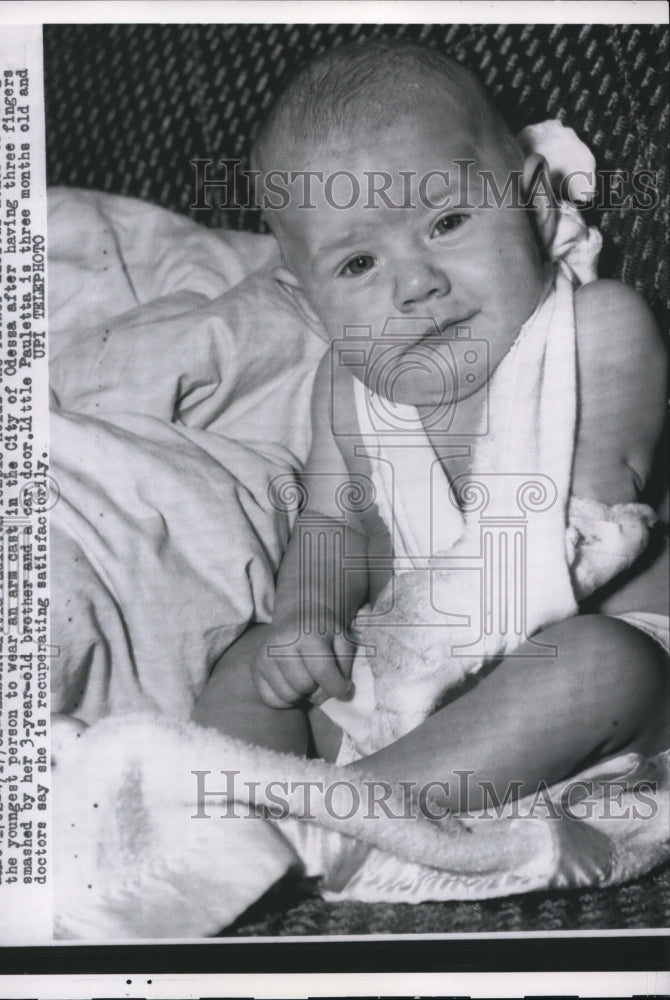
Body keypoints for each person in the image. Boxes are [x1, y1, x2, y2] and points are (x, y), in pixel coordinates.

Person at [192, 40, 668, 812]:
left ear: (534, 204)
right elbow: (331, 528)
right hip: (402, 698)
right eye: (357, 266)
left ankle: (341, 814)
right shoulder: (346, 391)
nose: (417, 284)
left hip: (580, 696)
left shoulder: (598, 328)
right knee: (255, 660)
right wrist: (308, 615)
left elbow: (592, 508)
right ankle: (228, 819)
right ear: (310, 301)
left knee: (605, 662)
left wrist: (438, 636)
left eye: (447, 221)